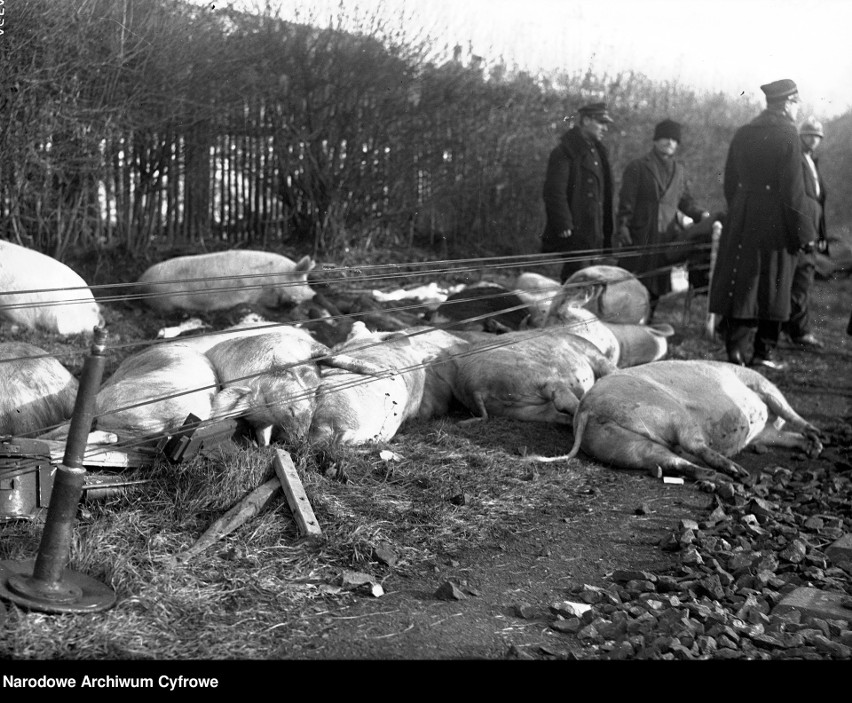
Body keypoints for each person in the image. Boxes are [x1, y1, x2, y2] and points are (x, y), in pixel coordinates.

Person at [708, 79, 818, 371]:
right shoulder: (788, 134)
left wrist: (740, 211)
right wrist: (804, 233)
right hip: (777, 222)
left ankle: (735, 350)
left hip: (743, 217)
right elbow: (793, 191)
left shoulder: (744, 132)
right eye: (796, 104)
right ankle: (763, 353)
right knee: (776, 284)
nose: (797, 109)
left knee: (742, 283)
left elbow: (730, 181)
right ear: (788, 103)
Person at [615, 118, 710, 319]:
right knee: (634, 281)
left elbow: (685, 201)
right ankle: (628, 321)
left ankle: (647, 321)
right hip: (640, 234)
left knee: (657, 283)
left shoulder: (679, 171)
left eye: (674, 140)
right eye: (665, 138)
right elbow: (626, 202)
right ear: (656, 140)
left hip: (665, 237)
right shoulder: (638, 166)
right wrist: (623, 226)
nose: (670, 143)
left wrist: (702, 214)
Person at [541, 102, 615, 283]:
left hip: (595, 229)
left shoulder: (598, 153)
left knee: (590, 279)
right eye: (600, 123)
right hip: (576, 229)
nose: (605, 128)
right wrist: (564, 223)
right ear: (586, 120)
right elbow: (554, 191)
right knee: (577, 278)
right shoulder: (565, 152)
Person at [783, 116, 828, 349]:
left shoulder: (813, 162)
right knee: (798, 280)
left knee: (803, 280)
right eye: (809, 135)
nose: (814, 140)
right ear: (801, 136)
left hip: (813, 229)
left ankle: (797, 329)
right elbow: (797, 199)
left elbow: (818, 202)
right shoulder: (796, 160)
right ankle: (796, 330)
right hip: (800, 229)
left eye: (817, 137)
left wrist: (821, 235)